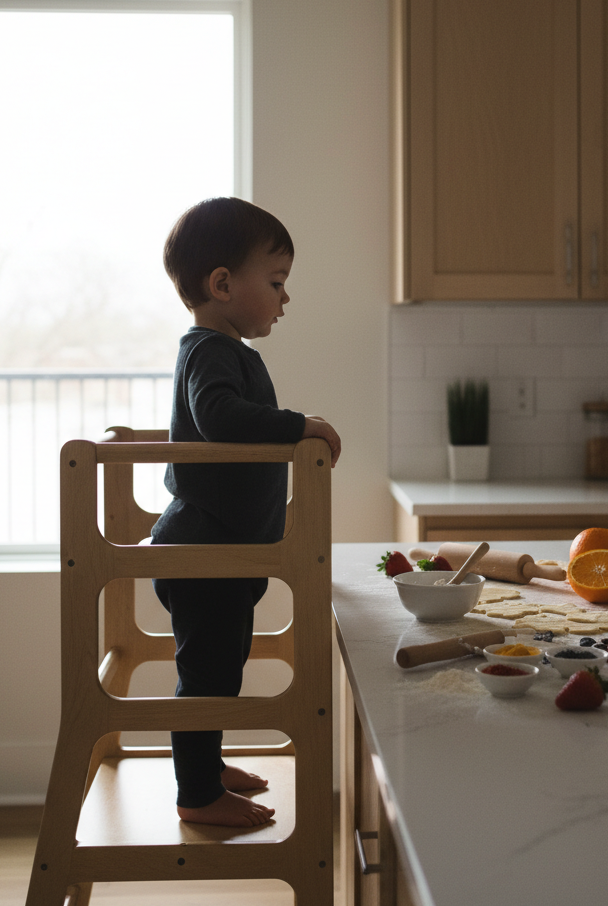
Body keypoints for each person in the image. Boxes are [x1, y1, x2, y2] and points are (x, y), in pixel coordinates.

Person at [151, 196, 341, 827]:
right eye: (277, 282)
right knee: (205, 677)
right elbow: (218, 418)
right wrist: (299, 425)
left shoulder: (226, 350)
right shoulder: (210, 351)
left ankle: (207, 766)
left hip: (225, 552)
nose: (285, 299)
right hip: (203, 552)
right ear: (223, 284)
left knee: (220, 671)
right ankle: (197, 795)